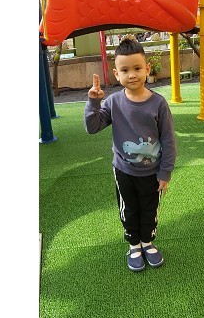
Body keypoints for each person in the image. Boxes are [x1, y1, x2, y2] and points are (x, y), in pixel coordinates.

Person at [84, 38, 177, 272]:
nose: (132, 75)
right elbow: (92, 127)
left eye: (137, 68)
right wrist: (94, 102)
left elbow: (168, 139)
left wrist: (165, 172)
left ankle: (147, 242)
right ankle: (134, 245)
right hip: (124, 171)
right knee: (128, 208)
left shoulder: (158, 104)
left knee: (150, 208)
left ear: (147, 68)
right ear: (117, 74)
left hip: (152, 173)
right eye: (125, 70)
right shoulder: (113, 102)